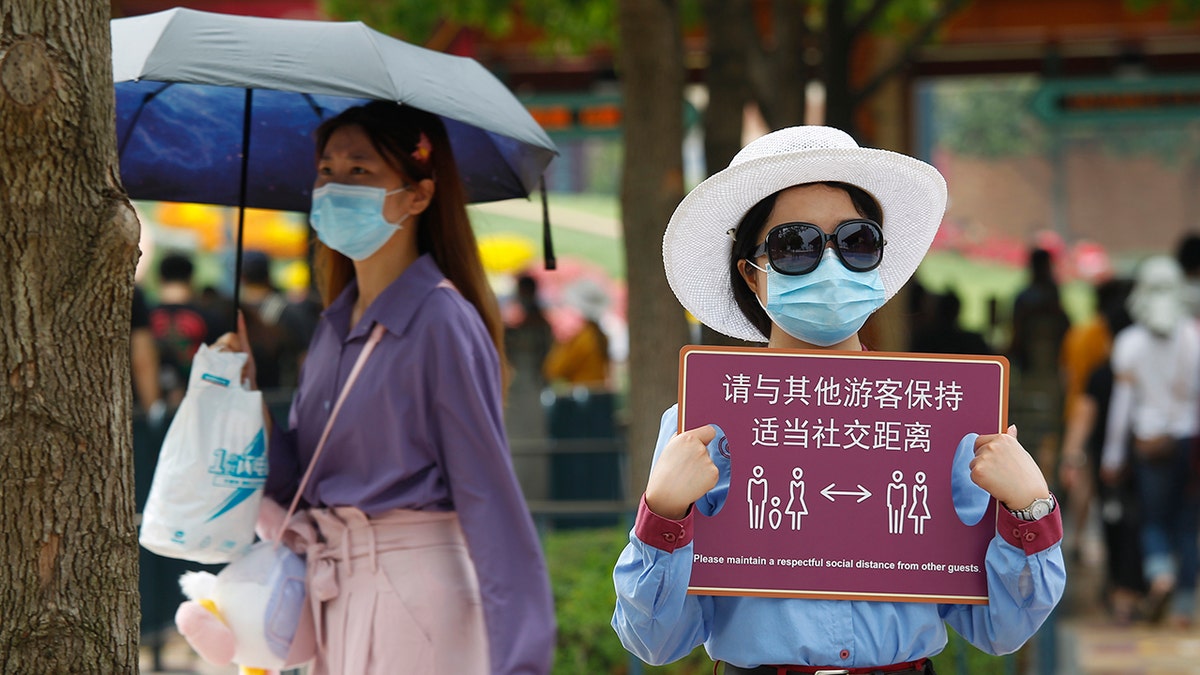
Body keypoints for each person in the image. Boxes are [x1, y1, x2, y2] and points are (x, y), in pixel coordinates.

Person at [612, 126, 1065, 673]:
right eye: (794, 245)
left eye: (856, 241)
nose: (830, 264)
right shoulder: (698, 427)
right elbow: (655, 640)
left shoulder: (943, 416)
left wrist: (1029, 508)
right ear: (751, 275)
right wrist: (663, 513)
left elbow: (1001, 628)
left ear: (878, 260)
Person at [215, 101, 555, 674]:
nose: (334, 187)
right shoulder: (333, 326)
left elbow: (488, 497)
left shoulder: (441, 321)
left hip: (414, 595)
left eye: (360, 171)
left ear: (419, 195)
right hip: (338, 594)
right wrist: (246, 394)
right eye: (326, 170)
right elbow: (300, 480)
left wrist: (520, 661)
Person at [1100, 256, 1200, 628]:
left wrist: (1112, 456)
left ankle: (1161, 574)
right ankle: (1184, 608)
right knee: (1188, 523)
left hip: (1149, 444)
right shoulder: (1194, 335)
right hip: (1190, 442)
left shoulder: (1130, 343)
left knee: (1154, 520)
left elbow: (1121, 409)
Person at [1058, 278, 1141, 624]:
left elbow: (1079, 405)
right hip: (1144, 460)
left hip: (1107, 458)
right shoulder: (1141, 369)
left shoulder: (1093, 356)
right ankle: (1140, 588)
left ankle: (1119, 592)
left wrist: (1071, 455)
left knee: (1113, 521)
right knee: (1142, 523)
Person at [148, 252, 227, 407]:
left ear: (160, 279)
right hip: (201, 403)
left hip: (150, 408)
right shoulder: (210, 317)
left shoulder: (145, 318)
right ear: (191, 279)